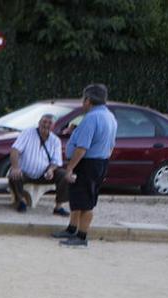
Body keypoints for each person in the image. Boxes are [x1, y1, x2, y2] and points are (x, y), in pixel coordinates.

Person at [54, 84, 117, 248]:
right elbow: (111, 145)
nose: (82, 102)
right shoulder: (110, 117)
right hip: (100, 162)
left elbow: (82, 148)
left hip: (88, 163)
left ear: (88, 100)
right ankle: (72, 228)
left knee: (85, 200)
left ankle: (81, 236)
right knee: (78, 197)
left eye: (83, 99)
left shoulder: (91, 118)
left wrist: (70, 168)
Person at [8, 113, 70, 215]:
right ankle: (21, 201)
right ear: (39, 123)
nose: (46, 125)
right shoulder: (27, 133)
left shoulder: (55, 141)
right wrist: (15, 167)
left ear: (53, 126)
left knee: (64, 175)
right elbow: (15, 150)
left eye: (49, 123)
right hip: (25, 172)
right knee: (14, 174)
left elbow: (56, 162)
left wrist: (51, 170)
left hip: (44, 174)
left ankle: (58, 207)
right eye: (44, 122)